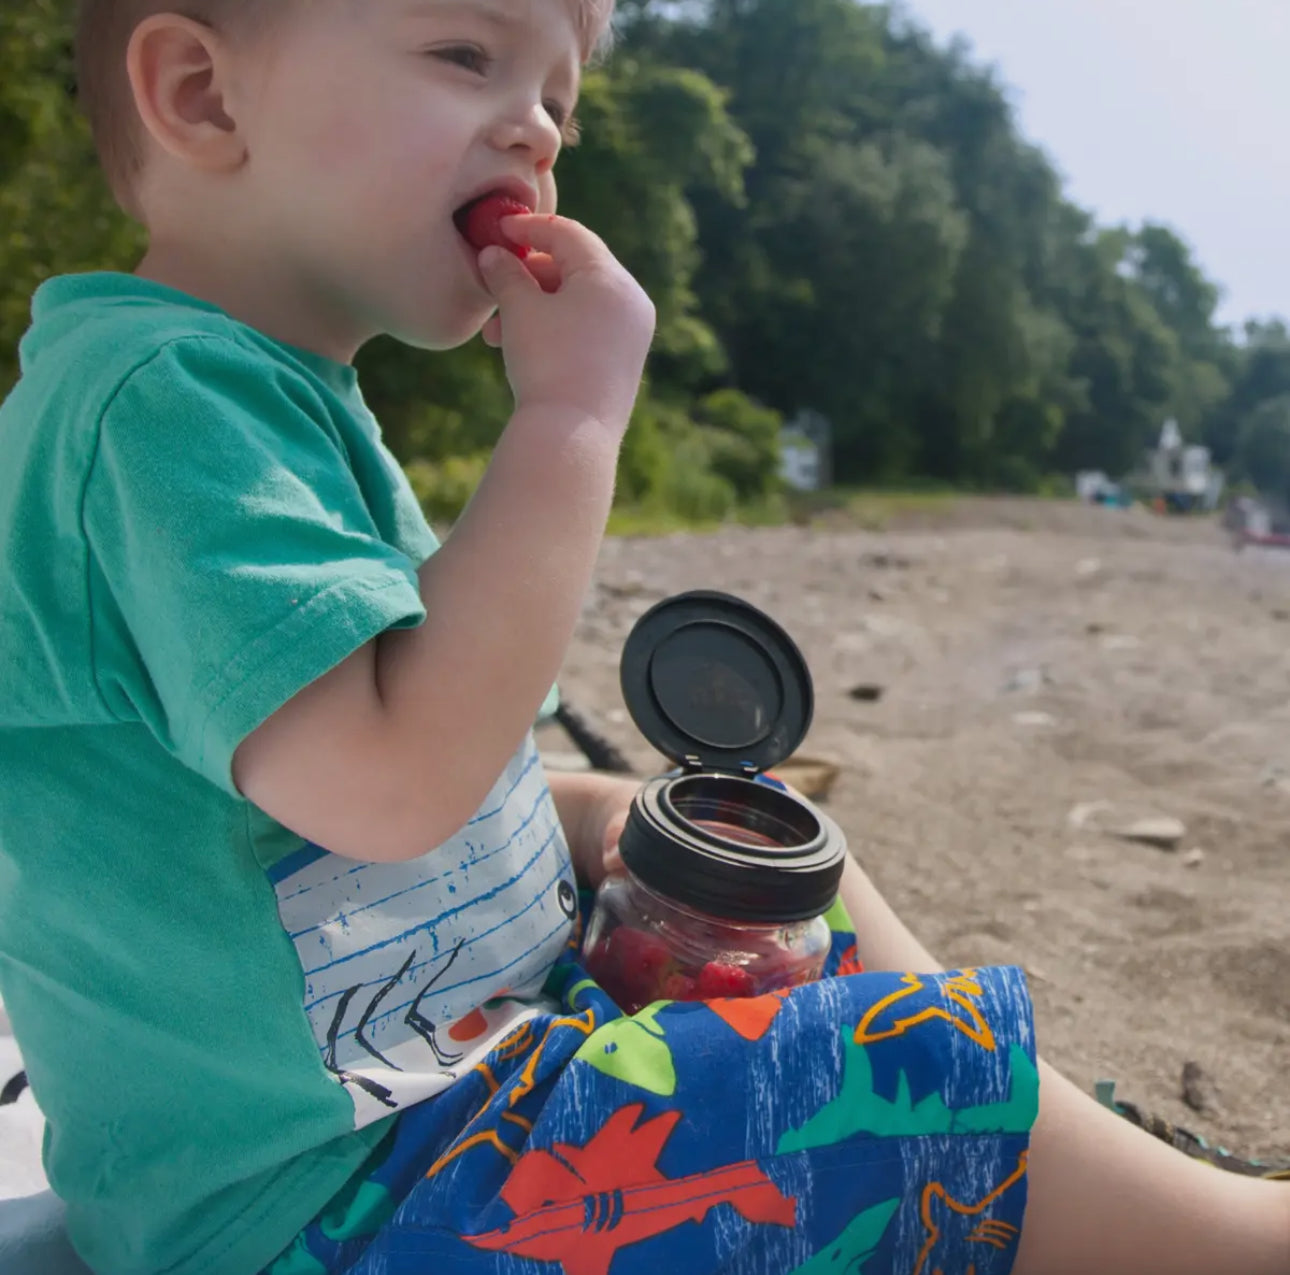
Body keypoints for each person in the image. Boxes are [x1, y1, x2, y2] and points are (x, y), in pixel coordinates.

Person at [0, 1, 1285, 1273]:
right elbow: (388, 784)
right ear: (202, 94)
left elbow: (318, 781)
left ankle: (1089, 1172)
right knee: (904, 1084)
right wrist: (569, 418)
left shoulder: (267, 397)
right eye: (465, 55)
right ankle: (1216, 1240)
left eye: (558, 98)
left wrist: (597, 808)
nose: (534, 131)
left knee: (760, 857)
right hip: (328, 1204)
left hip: (439, 1099)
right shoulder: (159, 410)